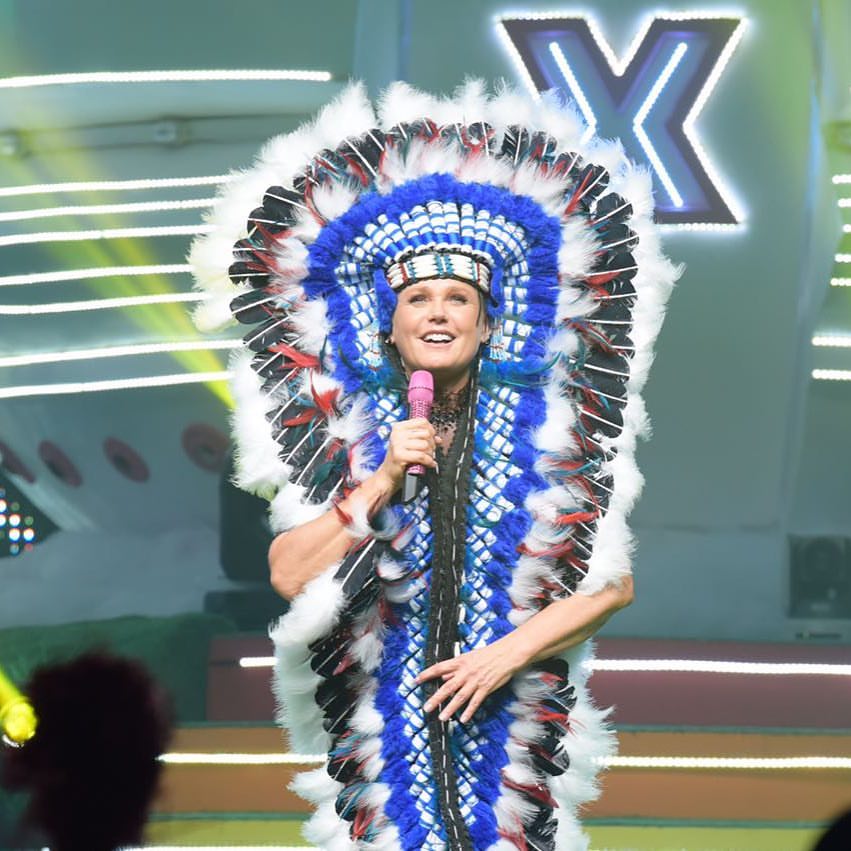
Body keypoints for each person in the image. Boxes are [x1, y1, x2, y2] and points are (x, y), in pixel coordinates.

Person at [192, 81, 678, 850]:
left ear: (486, 325)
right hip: (382, 717)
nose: (439, 312)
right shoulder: (345, 431)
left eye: (458, 298)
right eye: (418, 298)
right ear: (390, 325)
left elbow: (611, 585)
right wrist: (382, 479)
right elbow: (287, 573)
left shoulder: (549, 428)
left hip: (507, 710)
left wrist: (501, 658)